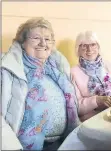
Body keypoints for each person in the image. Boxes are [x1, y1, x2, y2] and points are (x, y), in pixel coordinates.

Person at [1, 17, 80, 150]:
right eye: (36, 38)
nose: (43, 43)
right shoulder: (8, 68)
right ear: (22, 42)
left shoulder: (57, 68)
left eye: (48, 39)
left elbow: (73, 104)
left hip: (63, 143)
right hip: (21, 146)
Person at [71, 31, 111, 122]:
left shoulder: (109, 65)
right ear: (78, 49)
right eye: (84, 45)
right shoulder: (73, 72)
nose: (89, 49)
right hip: (93, 120)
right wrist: (96, 101)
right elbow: (76, 107)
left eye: (93, 44)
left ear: (98, 46)